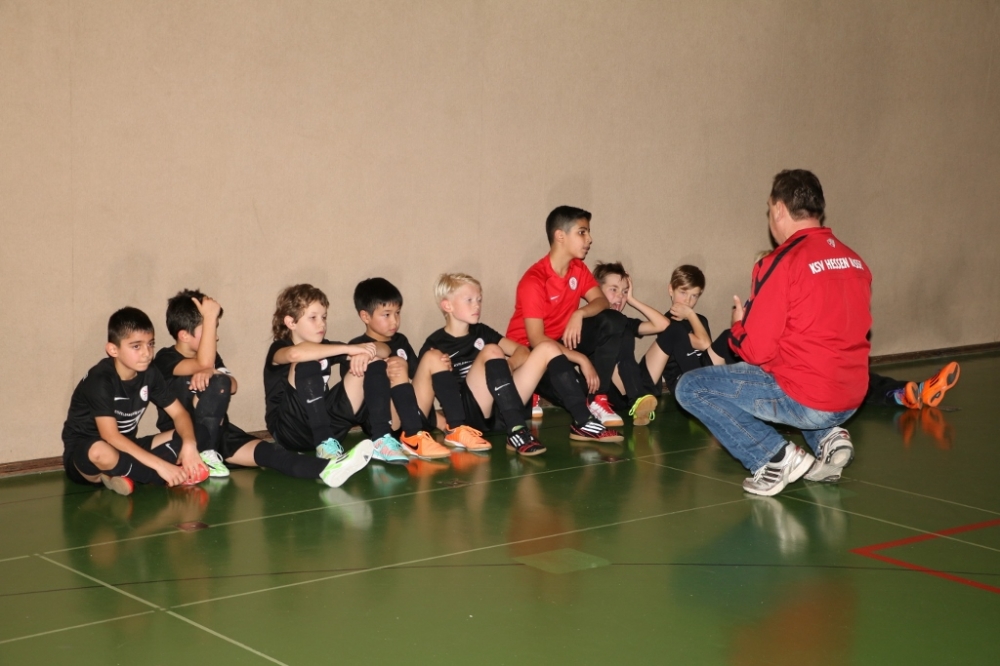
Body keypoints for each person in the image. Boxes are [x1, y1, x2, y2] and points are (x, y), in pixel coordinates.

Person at [675, 169, 872, 496]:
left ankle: (774, 457)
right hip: (851, 395)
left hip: (811, 400)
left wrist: (739, 326)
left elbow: (757, 351)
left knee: (691, 387)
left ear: (779, 209)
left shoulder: (781, 262)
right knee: (795, 365)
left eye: (769, 209)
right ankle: (828, 436)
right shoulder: (854, 261)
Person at [155, 289, 357, 487]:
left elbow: (231, 385)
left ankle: (327, 469)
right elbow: (204, 365)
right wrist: (209, 318)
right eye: (209, 328)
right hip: (184, 436)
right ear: (184, 335)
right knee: (216, 382)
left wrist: (214, 372)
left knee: (273, 454)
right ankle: (202, 454)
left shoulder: (213, 358)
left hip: (221, 433)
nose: (215, 337)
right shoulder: (165, 358)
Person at [421, 274, 622, 455]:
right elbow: (421, 392)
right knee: (492, 350)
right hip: (470, 415)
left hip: (503, 409)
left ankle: (583, 420)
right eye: (469, 300)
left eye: (479, 300)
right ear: (447, 306)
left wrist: (509, 365)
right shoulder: (435, 343)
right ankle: (517, 430)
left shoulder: (482, 331)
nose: (477, 306)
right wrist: (443, 423)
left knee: (547, 347)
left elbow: (523, 351)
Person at [61, 307, 208, 496]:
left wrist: (189, 445)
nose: (147, 353)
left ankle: (123, 473)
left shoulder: (150, 373)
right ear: (113, 349)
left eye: (150, 344)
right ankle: (160, 477)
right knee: (100, 451)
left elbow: (179, 413)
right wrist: (161, 466)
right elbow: (111, 437)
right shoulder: (100, 380)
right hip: (87, 456)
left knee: (198, 431)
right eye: (136, 346)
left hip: (128, 446)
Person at [506, 205, 629, 427]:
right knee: (578, 396)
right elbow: (537, 340)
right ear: (560, 236)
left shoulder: (578, 269)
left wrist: (580, 313)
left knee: (614, 320)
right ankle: (536, 388)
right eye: (582, 232)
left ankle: (598, 398)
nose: (589, 239)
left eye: (588, 232)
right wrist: (581, 359)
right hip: (532, 353)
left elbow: (601, 301)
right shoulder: (534, 280)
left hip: (561, 342)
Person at [263, 284, 375, 487]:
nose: (321, 323)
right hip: (290, 430)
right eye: (313, 317)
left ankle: (381, 438)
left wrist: (365, 352)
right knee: (305, 362)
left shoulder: (326, 346)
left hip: (327, 427)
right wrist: (349, 349)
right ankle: (324, 442)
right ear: (291, 322)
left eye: (324, 317)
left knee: (367, 364)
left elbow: (383, 350)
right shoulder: (279, 348)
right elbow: (295, 354)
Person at [595, 262, 732, 425]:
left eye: (694, 296)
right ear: (671, 290)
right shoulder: (592, 323)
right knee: (673, 330)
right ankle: (700, 396)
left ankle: (728, 390)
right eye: (683, 292)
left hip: (653, 383)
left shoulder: (699, 320)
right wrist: (690, 314)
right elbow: (701, 342)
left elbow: (705, 345)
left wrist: (631, 299)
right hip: (620, 390)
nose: (687, 300)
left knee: (727, 337)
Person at [345, 277, 452, 461]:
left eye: (397, 313)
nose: (394, 320)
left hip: (409, 412)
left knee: (434, 356)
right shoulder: (357, 346)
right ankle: (412, 435)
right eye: (386, 315)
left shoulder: (401, 340)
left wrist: (442, 364)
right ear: (366, 316)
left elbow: (417, 377)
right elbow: (357, 396)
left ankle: (453, 427)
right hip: (384, 420)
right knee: (396, 363)